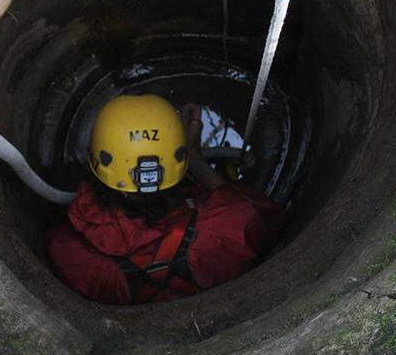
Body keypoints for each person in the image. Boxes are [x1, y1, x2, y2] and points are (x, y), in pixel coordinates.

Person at [46, 94, 284, 305]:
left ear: (98, 161)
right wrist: (195, 158)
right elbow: (262, 213)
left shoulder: (72, 254)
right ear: (178, 166)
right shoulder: (224, 228)